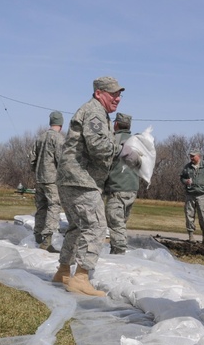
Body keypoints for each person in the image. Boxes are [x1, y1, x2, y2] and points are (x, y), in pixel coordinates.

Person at [54, 76, 139, 296]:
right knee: (97, 226)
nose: (118, 98)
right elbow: (98, 146)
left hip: (73, 177)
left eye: (120, 94)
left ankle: (63, 271)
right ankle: (81, 277)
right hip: (80, 179)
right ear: (99, 93)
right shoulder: (95, 112)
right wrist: (123, 152)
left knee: (77, 226)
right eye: (113, 94)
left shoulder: (98, 113)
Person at [104, 113, 140, 255]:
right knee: (121, 224)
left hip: (117, 188)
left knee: (115, 225)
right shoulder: (136, 142)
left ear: (116, 124)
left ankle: (119, 255)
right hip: (132, 189)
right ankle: (117, 252)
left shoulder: (112, 140)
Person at [31, 111, 64, 252]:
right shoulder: (59, 139)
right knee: (54, 206)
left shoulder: (40, 138)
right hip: (52, 179)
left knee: (41, 207)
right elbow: (62, 160)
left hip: (39, 178)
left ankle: (38, 236)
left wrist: (37, 171)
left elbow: (32, 158)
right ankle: (47, 240)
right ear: (61, 124)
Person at [180, 150, 204, 242]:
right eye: (190, 156)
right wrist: (185, 181)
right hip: (190, 194)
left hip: (202, 195)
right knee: (189, 215)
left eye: (193, 156)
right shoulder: (187, 167)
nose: (191, 158)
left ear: (198, 156)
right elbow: (182, 177)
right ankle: (191, 236)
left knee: (203, 216)